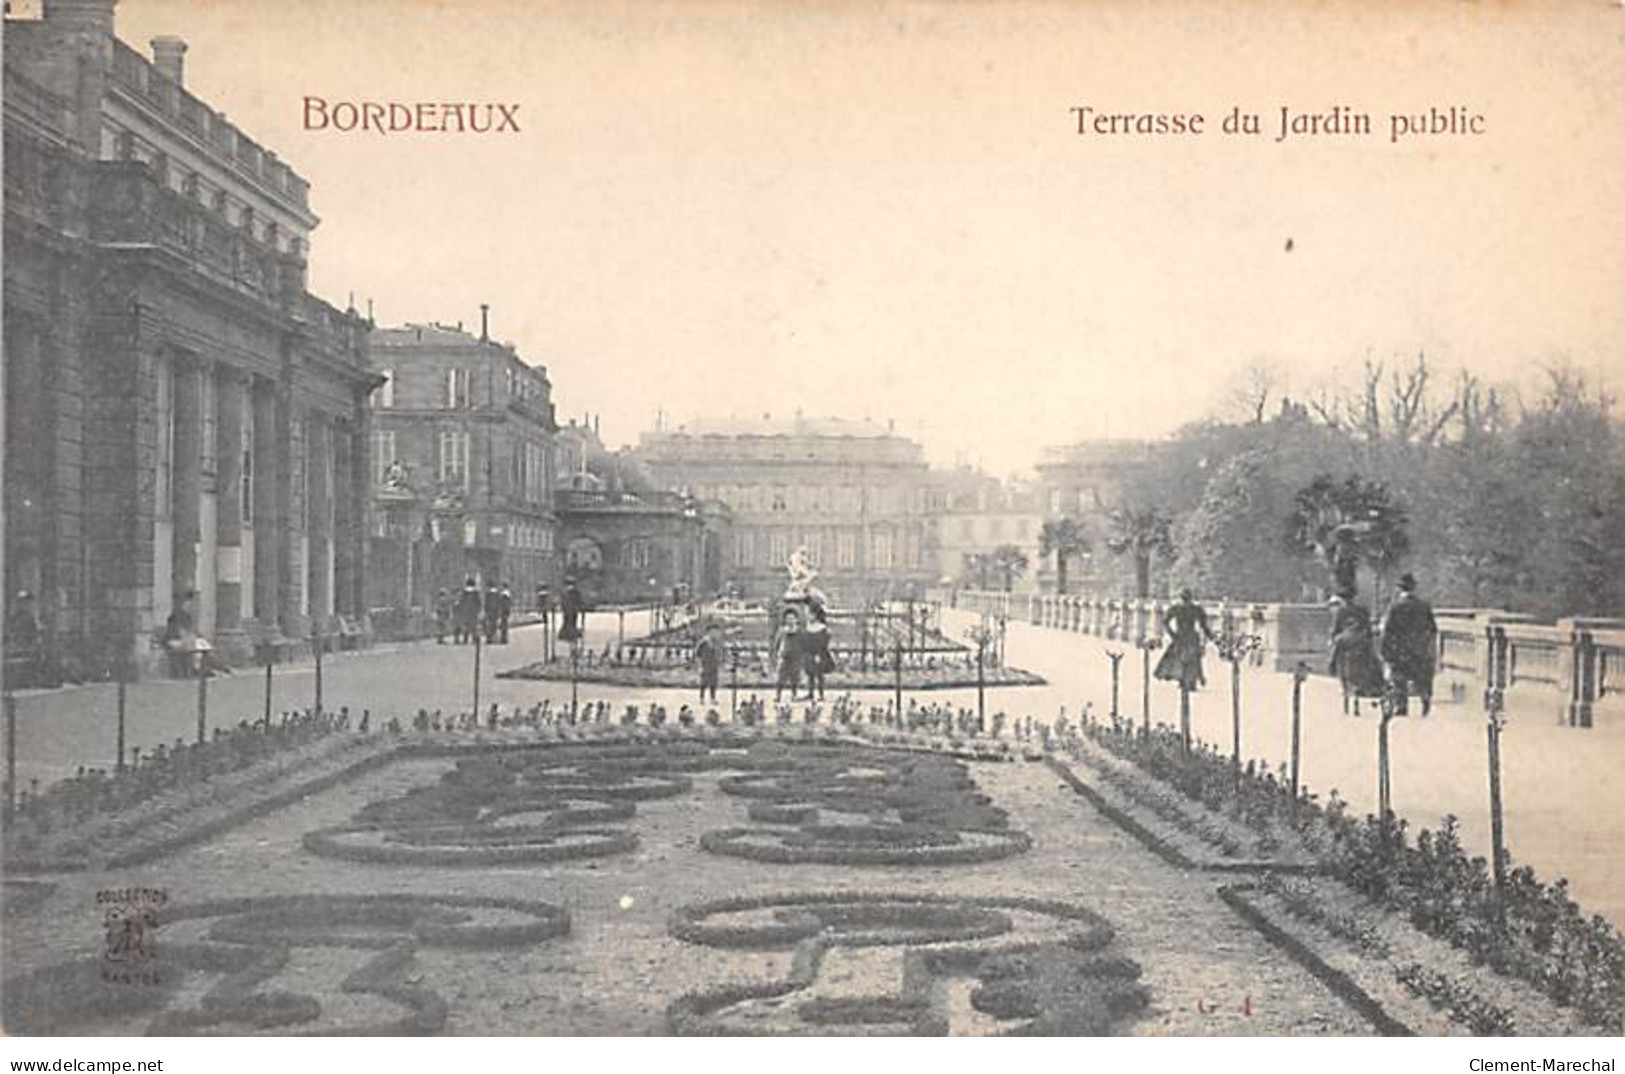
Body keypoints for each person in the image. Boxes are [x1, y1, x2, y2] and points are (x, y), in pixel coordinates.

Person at [1381, 572, 1438, 716]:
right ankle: (1425, 700)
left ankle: (1402, 706)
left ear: (1400, 589)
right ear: (1413, 588)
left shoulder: (1395, 607)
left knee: (1399, 677)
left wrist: (1385, 651)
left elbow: (1388, 631)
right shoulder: (1424, 606)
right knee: (1422, 676)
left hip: (1401, 650)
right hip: (1419, 649)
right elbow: (1432, 629)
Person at [1328, 590, 1386, 716]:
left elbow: (1335, 630)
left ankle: (1332, 667)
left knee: (1337, 650)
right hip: (1362, 644)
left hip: (1346, 644)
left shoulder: (1340, 612)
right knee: (1373, 661)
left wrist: (1333, 639)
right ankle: (1376, 686)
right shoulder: (1362, 610)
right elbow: (1368, 629)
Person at [1153, 588, 1213, 692]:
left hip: (1180, 636)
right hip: (1191, 637)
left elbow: (1165, 622)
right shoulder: (1196, 609)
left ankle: (1184, 680)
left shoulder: (1176, 608)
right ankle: (1190, 682)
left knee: (1181, 659)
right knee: (1192, 660)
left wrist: (1172, 634)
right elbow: (1204, 625)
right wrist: (1210, 635)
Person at [773, 607, 804, 702]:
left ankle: (794, 695)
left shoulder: (800, 631)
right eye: (788, 618)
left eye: (792, 618)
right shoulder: (782, 631)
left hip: (796, 658)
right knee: (781, 677)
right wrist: (776, 654)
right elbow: (777, 643)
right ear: (785, 620)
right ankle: (778, 695)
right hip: (784, 657)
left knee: (795, 678)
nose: (790, 620)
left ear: (796, 619)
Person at [803, 604, 833, 701]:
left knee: (819, 675)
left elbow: (824, 643)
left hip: (819, 654)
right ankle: (810, 693)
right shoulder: (807, 627)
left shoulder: (822, 628)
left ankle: (821, 694)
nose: (809, 616)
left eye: (811, 614)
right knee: (810, 674)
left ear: (815, 615)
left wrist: (819, 654)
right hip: (808, 653)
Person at [693, 622, 727, 704]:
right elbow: (697, 653)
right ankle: (702, 698)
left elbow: (720, 653)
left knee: (713, 682)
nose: (715, 633)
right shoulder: (703, 642)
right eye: (713, 632)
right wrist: (699, 664)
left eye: (716, 632)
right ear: (709, 632)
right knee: (703, 682)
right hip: (705, 665)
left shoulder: (717, 642)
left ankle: (712, 698)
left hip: (714, 665)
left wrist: (721, 661)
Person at [454, 578, 481, 645]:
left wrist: (459, 610)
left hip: (464, 612)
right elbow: (478, 603)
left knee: (465, 626)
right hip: (473, 612)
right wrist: (478, 610)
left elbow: (459, 603)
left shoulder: (463, 593)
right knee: (473, 626)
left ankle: (465, 639)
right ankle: (474, 639)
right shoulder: (476, 594)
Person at [558, 581, 585, 648]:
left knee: (570, 623)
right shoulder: (569, 593)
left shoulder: (572, 593)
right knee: (569, 622)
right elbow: (563, 602)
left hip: (571, 611)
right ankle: (570, 635)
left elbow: (579, 601)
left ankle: (570, 635)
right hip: (569, 611)